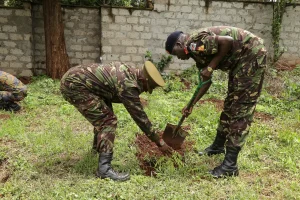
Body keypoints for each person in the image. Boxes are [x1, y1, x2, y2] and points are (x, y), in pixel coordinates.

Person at [165, 26, 267, 178]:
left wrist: (211, 67)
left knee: (240, 108)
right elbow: (205, 82)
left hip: (251, 55)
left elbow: (227, 41)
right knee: (230, 103)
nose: (177, 58)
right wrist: (191, 105)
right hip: (239, 62)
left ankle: (230, 166)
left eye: (175, 53)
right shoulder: (195, 53)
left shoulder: (194, 43)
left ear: (180, 45)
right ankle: (218, 146)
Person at [60, 61, 173, 182]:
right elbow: (140, 118)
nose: (146, 91)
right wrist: (159, 142)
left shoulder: (131, 72)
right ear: (144, 80)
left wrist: (135, 99)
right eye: (148, 88)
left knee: (104, 115)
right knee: (107, 121)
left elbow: (114, 87)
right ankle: (104, 169)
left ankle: (96, 150)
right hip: (75, 85)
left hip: (83, 81)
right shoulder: (129, 85)